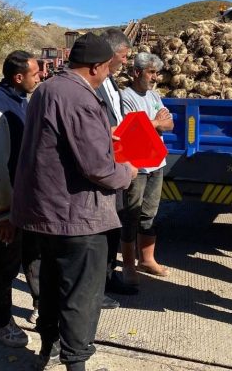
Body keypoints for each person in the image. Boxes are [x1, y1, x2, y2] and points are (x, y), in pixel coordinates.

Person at [10, 33, 137, 371]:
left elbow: (60, 141)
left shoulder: (48, 89)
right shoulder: (80, 97)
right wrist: (128, 171)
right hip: (76, 216)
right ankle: (76, 363)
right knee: (82, 296)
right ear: (96, 66)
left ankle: (47, 349)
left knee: (50, 288)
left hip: (43, 213)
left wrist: (102, 136)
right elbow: (98, 168)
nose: (110, 73)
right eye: (108, 68)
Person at [0, 50, 42, 347]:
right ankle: (0, 323)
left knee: (34, 256)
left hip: (23, 202)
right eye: (36, 74)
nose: (40, 77)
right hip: (4, 208)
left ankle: (42, 307)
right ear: (18, 77)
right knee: (4, 265)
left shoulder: (19, 101)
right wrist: (3, 213)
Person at [119, 52, 174, 286]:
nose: (155, 77)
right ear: (136, 73)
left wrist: (153, 123)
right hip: (137, 166)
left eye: (156, 73)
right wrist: (155, 123)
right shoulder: (126, 97)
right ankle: (128, 266)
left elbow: (169, 124)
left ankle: (147, 260)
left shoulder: (154, 96)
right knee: (131, 215)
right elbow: (132, 130)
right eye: (151, 72)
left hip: (156, 165)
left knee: (149, 214)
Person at [97, 29, 138, 297]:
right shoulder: (93, 85)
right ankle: (98, 286)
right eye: (123, 56)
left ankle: (110, 277)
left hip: (117, 162)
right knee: (101, 229)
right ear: (111, 55)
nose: (126, 61)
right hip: (103, 165)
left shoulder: (112, 83)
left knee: (115, 224)